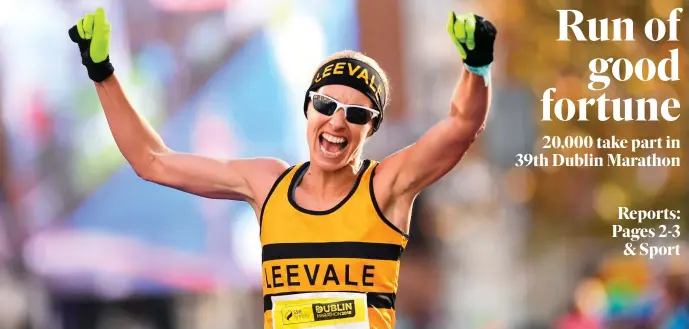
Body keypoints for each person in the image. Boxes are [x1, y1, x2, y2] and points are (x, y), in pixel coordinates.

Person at [68, 7, 496, 329]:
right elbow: (153, 161)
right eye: (326, 106)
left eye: (356, 114)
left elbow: (461, 127)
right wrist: (103, 73)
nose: (336, 122)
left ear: (372, 127)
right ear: (307, 108)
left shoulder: (385, 187)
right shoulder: (268, 182)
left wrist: (476, 69)